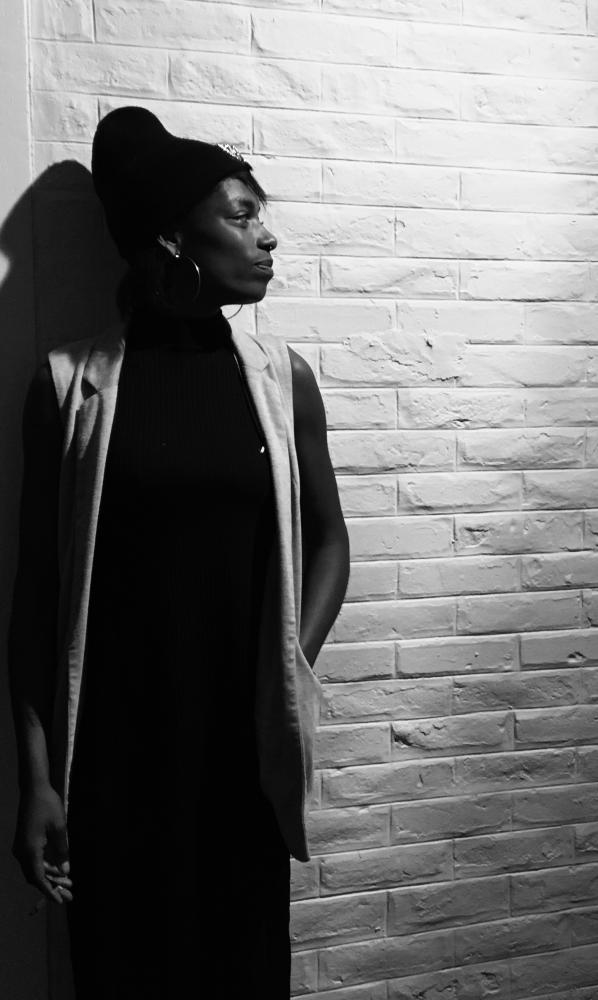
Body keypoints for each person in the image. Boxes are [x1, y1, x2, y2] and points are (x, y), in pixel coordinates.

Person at [8, 106, 350, 999]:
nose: (267, 237)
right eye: (241, 215)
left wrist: (287, 661)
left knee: (243, 971)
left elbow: (330, 542)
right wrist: (36, 780)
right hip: (110, 757)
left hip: (242, 751)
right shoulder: (67, 388)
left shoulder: (282, 381)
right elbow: (37, 596)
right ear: (171, 237)